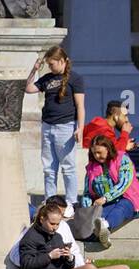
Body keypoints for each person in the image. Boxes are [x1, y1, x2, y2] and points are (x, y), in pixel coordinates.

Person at [18, 201, 134, 269]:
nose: (55, 227)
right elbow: (26, 264)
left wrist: (68, 257)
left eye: (58, 224)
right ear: (42, 219)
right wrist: (49, 256)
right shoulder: (31, 236)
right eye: (52, 224)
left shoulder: (57, 236)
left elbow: (65, 266)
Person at [26, 46, 85, 204]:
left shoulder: (75, 79)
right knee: (49, 169)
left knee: (68, 167)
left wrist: (80, 128)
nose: (50, 67)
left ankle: (71, 202)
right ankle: (50, 201)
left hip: (65, 126)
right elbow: (28, 88)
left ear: (62, 61)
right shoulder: (47, 78)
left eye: (52, 64)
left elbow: (80, 106)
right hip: (47, 126)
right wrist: (34, 70)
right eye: (48, 64)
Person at [80, 134, 139, 245]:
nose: (97, 156)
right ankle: (103, 234)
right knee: (97, 217)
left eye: (99, 152)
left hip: (130, 200)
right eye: (94, 153)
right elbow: (87, 192)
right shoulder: (91, 168)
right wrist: (87, 208)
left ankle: (105, 226)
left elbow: (124, 183)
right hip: (107, 203)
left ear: (108, 149)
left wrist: (105, 198)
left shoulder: (123, 159)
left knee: (121, 207)